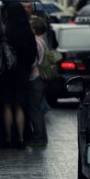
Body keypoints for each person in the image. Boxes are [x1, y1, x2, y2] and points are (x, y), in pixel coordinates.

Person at [0, 1, 37, 149]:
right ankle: (21, 138)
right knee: (20, 106)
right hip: (22, 73)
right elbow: (32, 54)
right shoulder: (26, 31)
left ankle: (8, 138)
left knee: (7, 106)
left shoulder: (4, 31)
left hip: (5, 74)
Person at [28, 18, 49, 146]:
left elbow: (34, 61)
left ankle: (39, 137)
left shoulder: (36, 42)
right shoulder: (42, 40)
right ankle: (41, 136)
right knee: (37, 109)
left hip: (34, 77)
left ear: (34, 29)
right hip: (39, 78)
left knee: (34, 109)